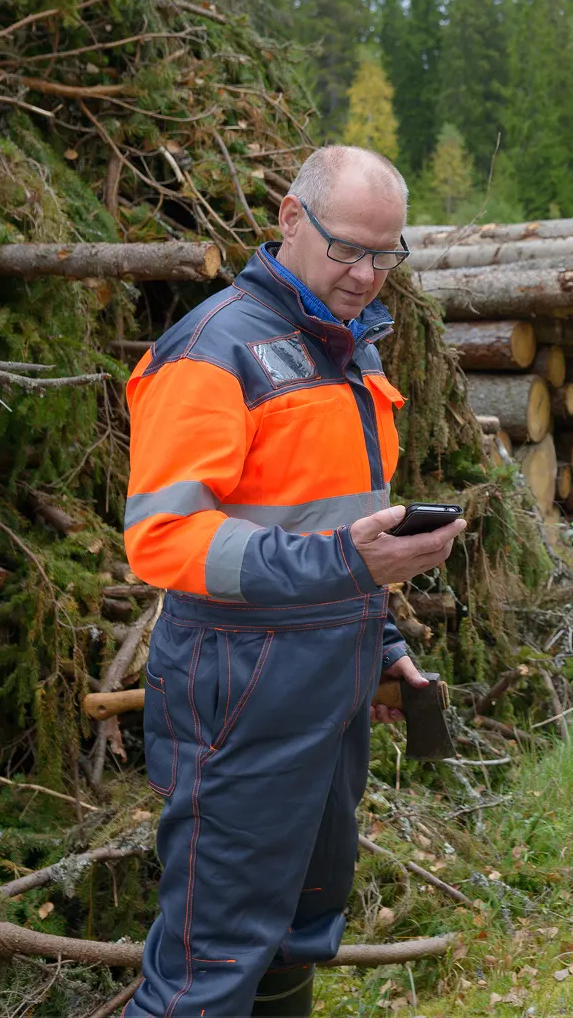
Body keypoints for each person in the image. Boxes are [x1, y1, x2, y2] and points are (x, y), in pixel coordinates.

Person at [121, 145, 466, 1017]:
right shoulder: (210, 349)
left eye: (386, 257)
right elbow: (162, 541)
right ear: (288, 218)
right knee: (211, 966)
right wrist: (348, 564)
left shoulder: (350, 353)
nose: (365, 276)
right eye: (347, 249)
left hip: (332, 685)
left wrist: (384, 647)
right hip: (237, 695)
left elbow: (336, 519)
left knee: (296, 933)